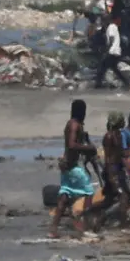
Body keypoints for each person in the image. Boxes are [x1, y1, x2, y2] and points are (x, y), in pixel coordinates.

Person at [50, 99, 99, 238]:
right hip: (73, 166)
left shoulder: (73, 125)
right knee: (89, 193)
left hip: (66, 166)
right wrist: (88, 148)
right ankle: (84, 226)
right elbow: (72, 145)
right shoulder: (74, 125)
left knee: (64, 197)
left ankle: (53, 229)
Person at [101, 111, 130, 224]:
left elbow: (120, 153)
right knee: (123, 198)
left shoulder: (118, 134)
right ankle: (118, 223)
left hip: (118, 169)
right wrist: (111, 176)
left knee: (109, 200)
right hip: (112, 170)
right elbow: (108, 158)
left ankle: (93, 214)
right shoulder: (109, 136)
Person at [94, 14, 130, 90]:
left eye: (103, 21)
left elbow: (111, 39)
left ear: (106, 21)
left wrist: (107, 50)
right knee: (114, 68)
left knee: (102, 66)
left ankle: (98, 84)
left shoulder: (110, 27)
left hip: (112, 51)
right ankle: (127, 82)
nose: (102, 23)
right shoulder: (113, 27)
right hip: (116, 51)